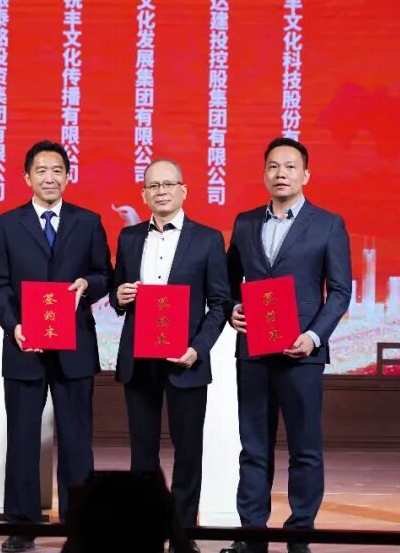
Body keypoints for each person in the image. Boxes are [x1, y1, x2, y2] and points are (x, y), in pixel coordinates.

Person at [222, 137, 352, 553]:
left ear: (305, 175)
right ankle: (252, 536)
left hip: (302, 355)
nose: (281, 174)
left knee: (305, 449)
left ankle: (300, 536)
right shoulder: (245, 223)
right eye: (274, 167)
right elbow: (227, 282)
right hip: (254, 352)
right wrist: (232, 310)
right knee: (253, 448)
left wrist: (313, 337)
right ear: (264, 174)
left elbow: (340, 292)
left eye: (290, 167)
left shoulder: (328, 224)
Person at [0, 140, 113, 552]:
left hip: (74, 344)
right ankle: (22, 524)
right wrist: (15, 325)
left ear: (68, 176)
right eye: (41, 170)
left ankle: (80, 524)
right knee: (23, 437)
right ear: (27, 177)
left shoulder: (88, 222)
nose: (50, 177)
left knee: (76, 438)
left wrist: (87, 285)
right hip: (25, 344)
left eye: (57, 170)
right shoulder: (6, 224)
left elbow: (104, 274)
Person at [109, 159, 229, 551]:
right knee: (142, 455)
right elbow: (117, 292)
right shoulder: (129, 237)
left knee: (187, 452)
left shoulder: (207, 239)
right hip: (139, 359)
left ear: (184, 190)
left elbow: (219, 303)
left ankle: (183, 534)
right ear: (143, 194)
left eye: (168, 184)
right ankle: (145, 534)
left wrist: (198, 348)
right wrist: (119, 296)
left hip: (185, 359)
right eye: (153, 186)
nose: (161, 191)